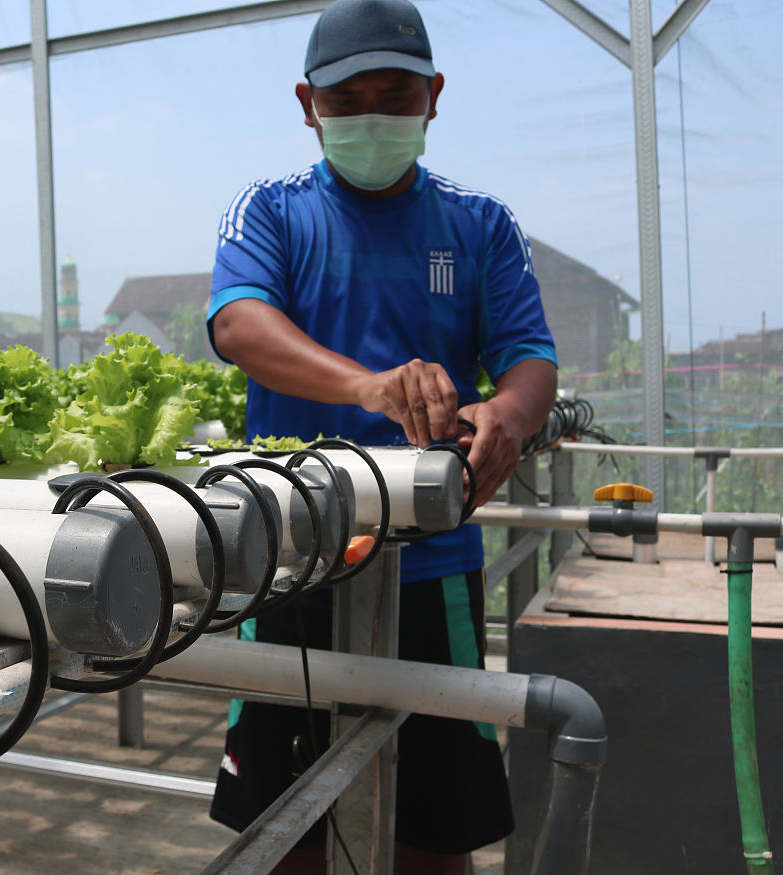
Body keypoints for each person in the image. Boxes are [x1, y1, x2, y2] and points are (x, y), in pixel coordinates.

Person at [204, 0, 559, 873]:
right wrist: (368, 384)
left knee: (435, 827)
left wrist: (508, 415)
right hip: (297, 556)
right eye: (346, 98)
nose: (372, 115)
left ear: (434, 96)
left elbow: (529, 358)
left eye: (395, 94)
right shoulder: (274, 211)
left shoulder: (479, 224)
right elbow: (239, 324)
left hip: (431, 563)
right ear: (307, 104)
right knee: (282, 823)